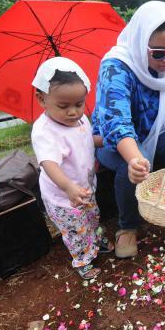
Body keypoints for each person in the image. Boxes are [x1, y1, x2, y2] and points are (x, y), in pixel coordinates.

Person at [93, 1, 165, 258]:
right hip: (110, 141)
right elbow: (116, 122)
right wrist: (135, 157)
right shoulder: (116, 66)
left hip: (154, 134)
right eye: (158, 52)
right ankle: (128, 226)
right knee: (134, 164)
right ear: (140, 41)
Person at [31, 57, 111, 279]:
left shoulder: (80, 120)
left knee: (93, 217)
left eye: (79, 104)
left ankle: (95, 241)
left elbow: (84, 140)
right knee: (76, 229)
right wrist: (68, 188)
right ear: (41, 99)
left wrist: (104, 139)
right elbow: (48, 163)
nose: (73, 112)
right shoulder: (45, 131)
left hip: (84, 187)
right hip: (63, 196)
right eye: (63, 106)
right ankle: (83, 259)